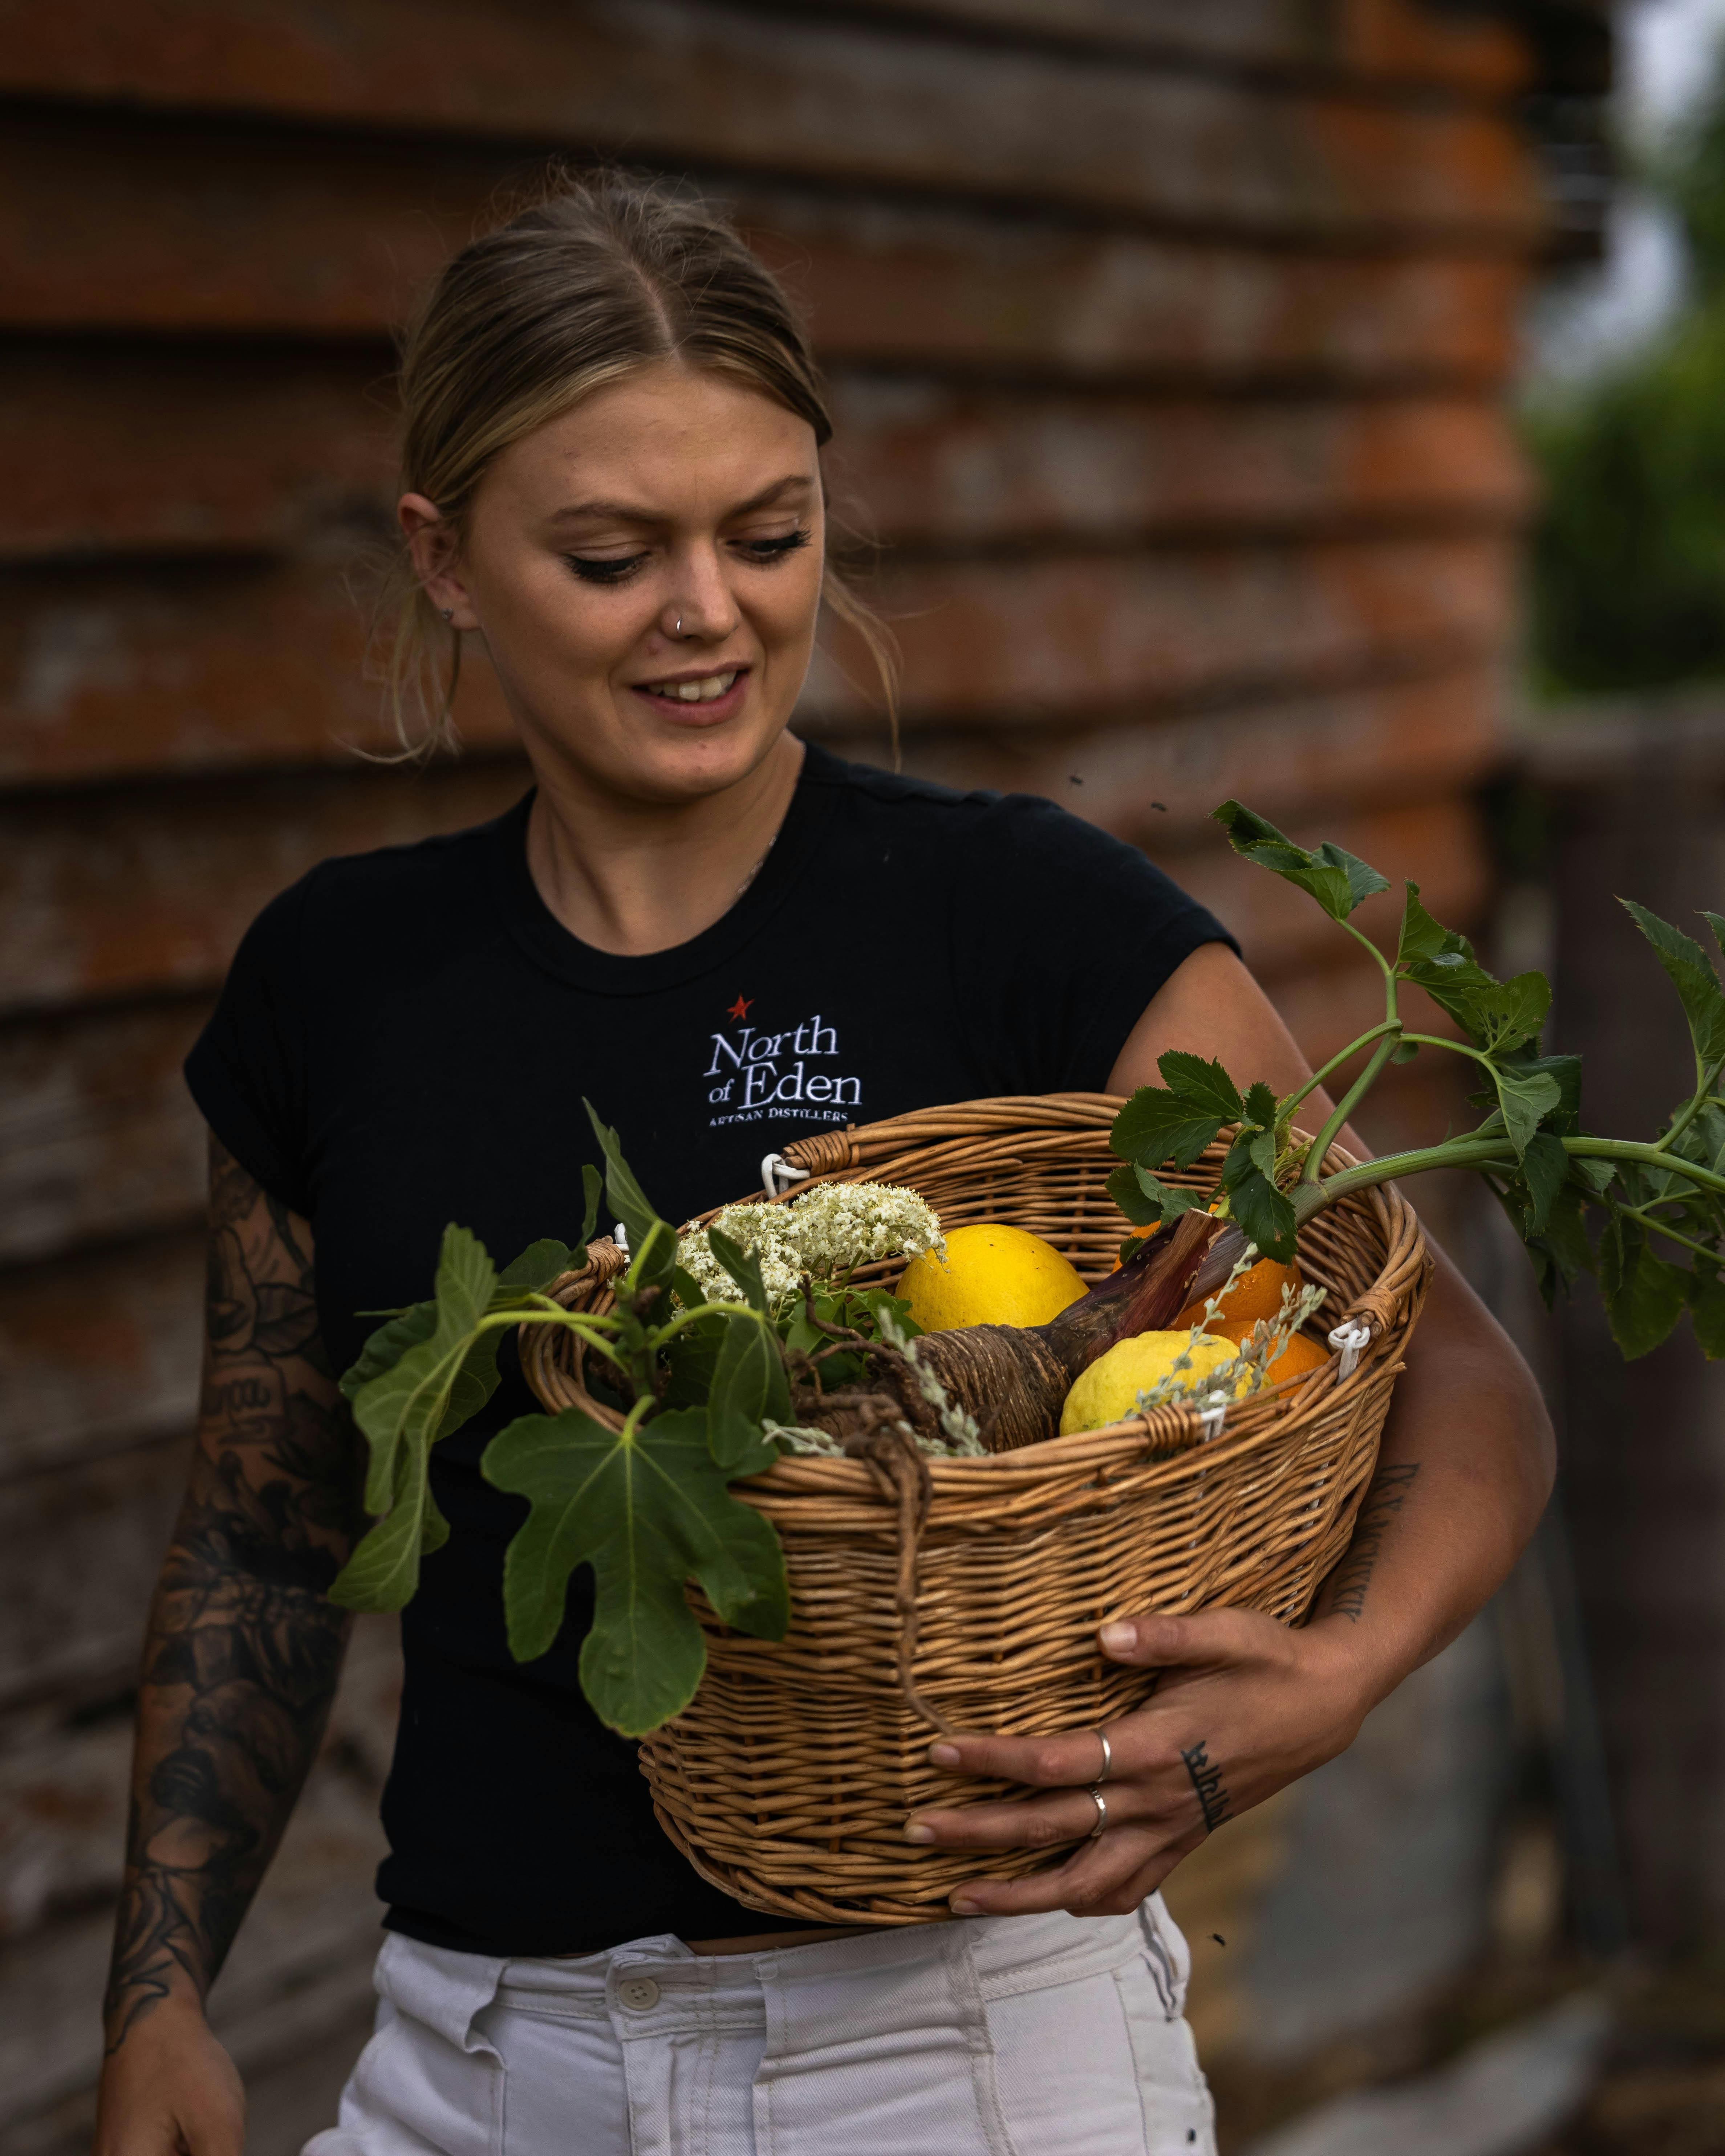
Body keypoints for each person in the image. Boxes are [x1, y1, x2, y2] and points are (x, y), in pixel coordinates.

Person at [93, 172, 1553, 2156]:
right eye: (614, 555)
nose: (712, 609)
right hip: (478, 2058)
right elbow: (264, 1530)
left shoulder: (1017, 921)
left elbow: (1450, 1368)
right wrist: (164, 1994)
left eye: (769, 535)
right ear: (444, 560)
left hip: (957, 2051)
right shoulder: (337, 985)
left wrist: (1346, 1672)